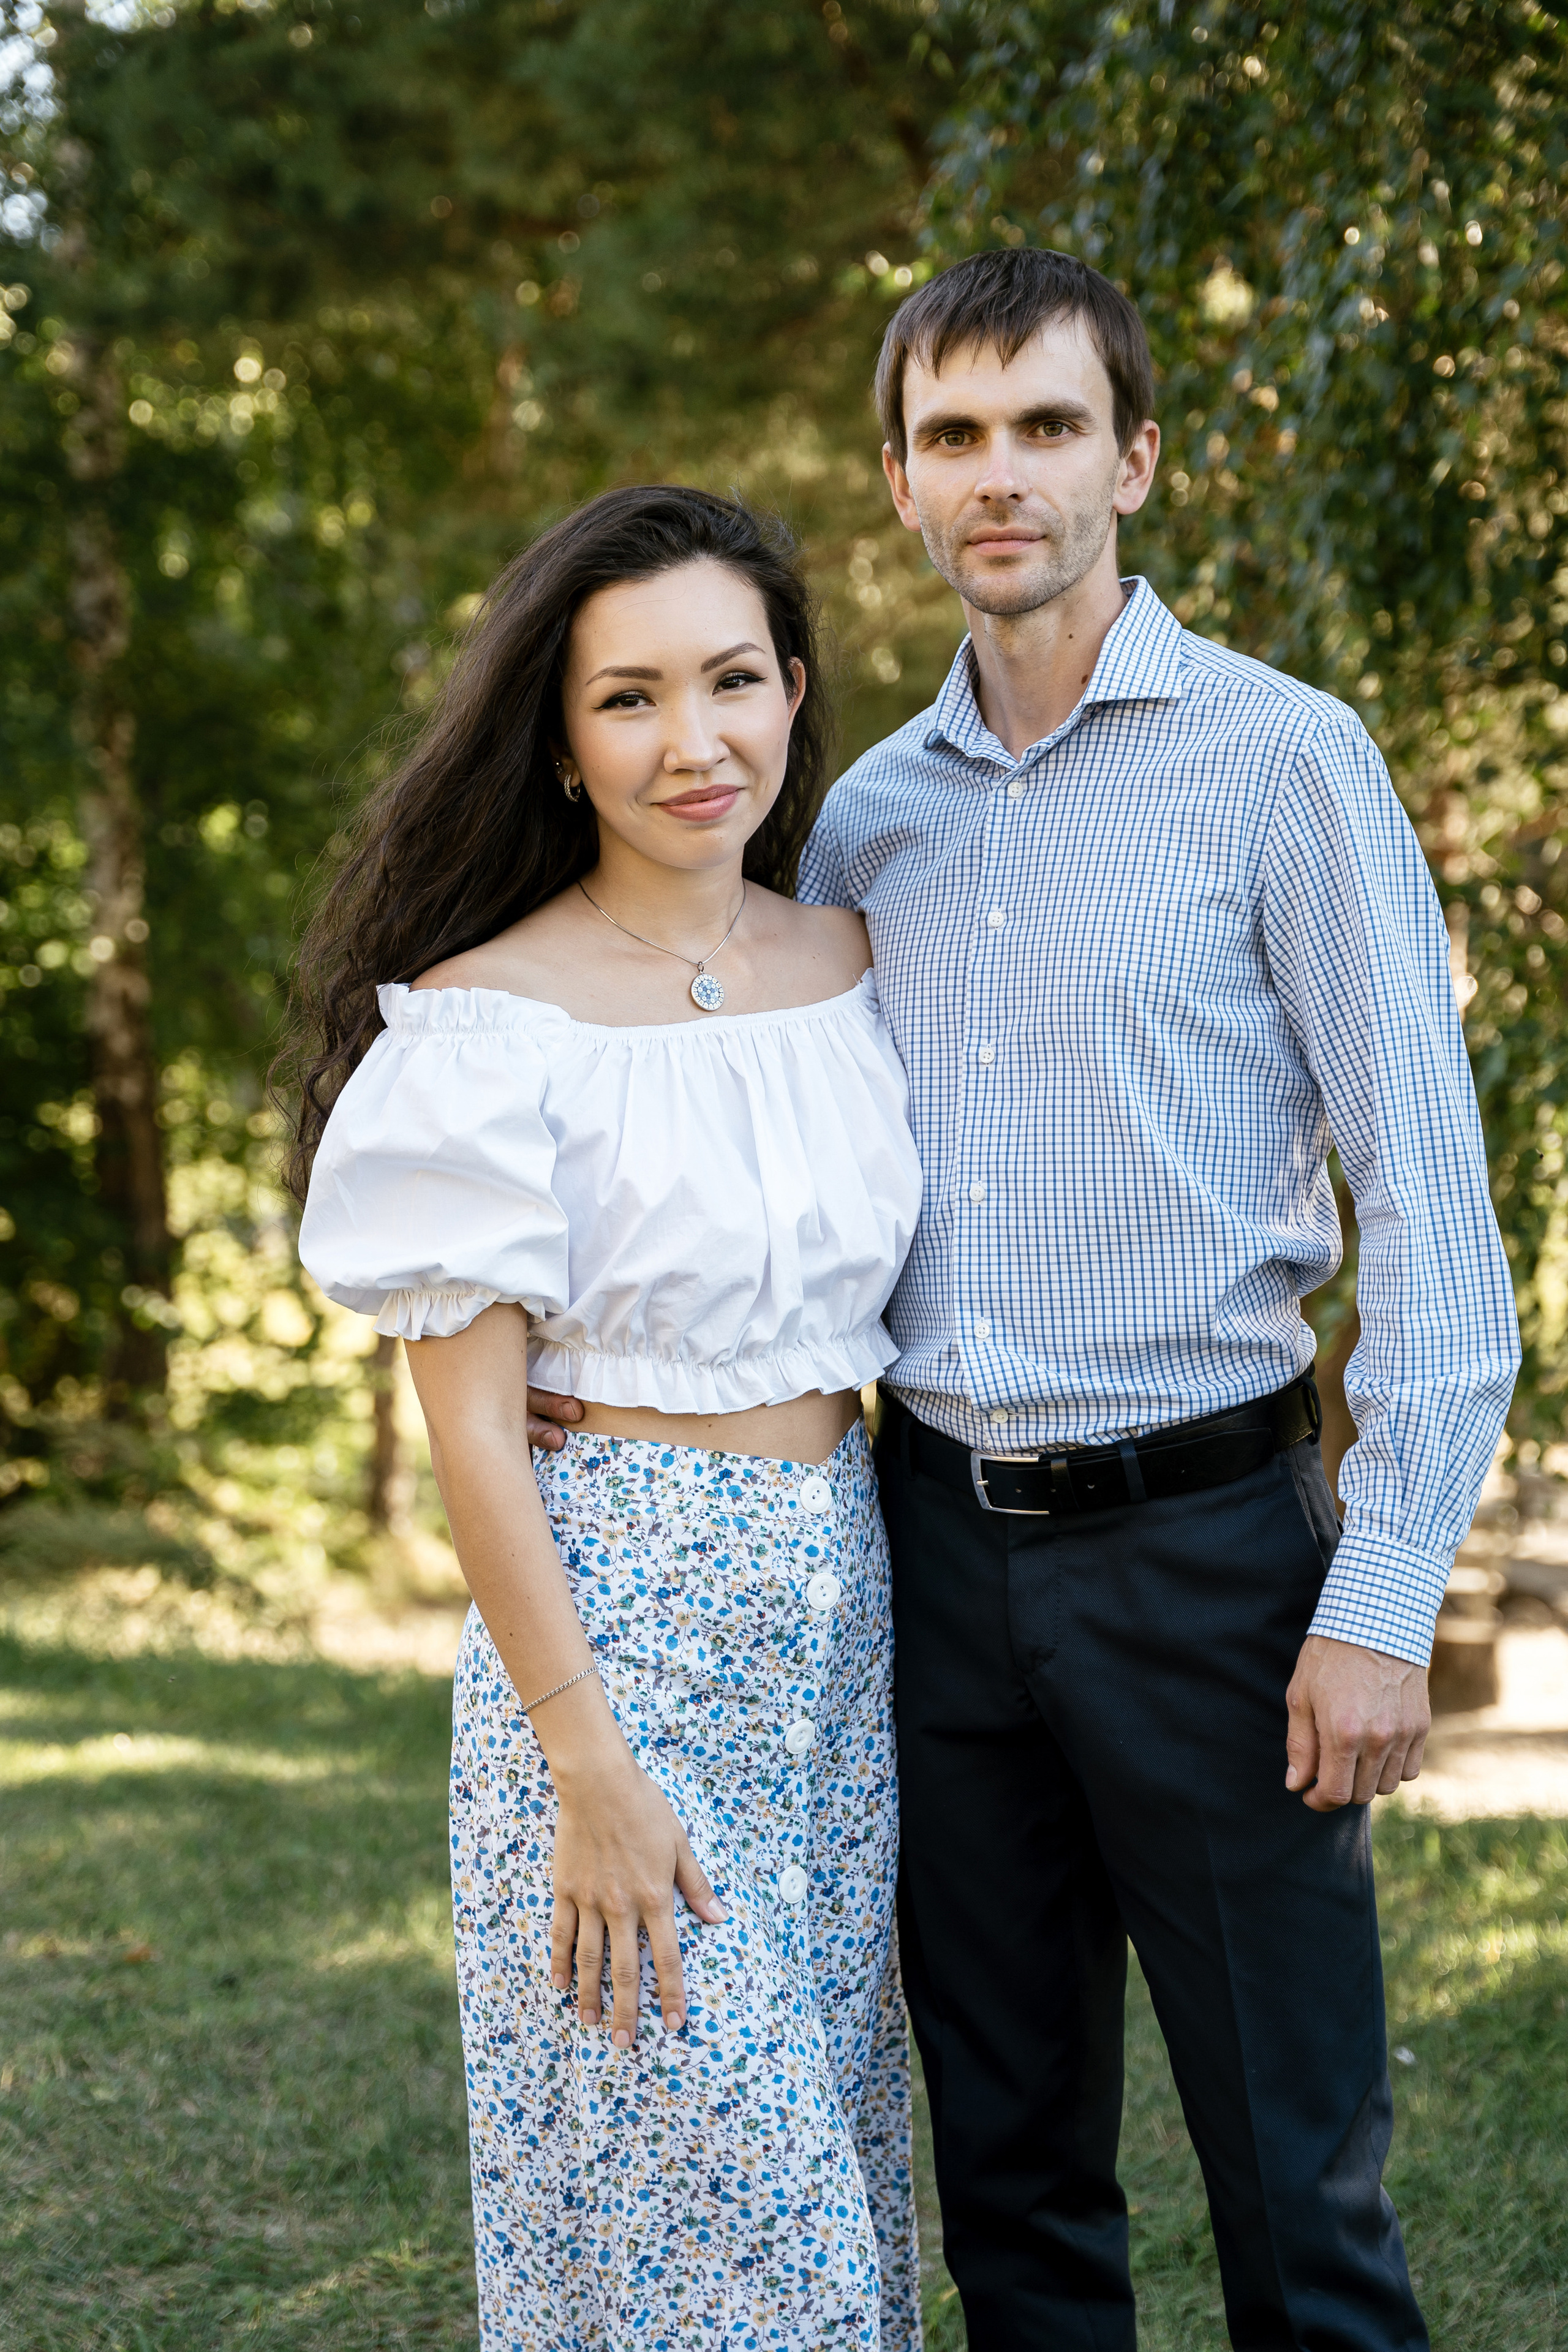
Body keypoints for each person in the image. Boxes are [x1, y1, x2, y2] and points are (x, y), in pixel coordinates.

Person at [530, 249, 1521, 2350]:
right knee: (1012, 2177)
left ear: (1135, 458)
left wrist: (1380, 1601)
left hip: (1217, 1564)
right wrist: (590, 1358)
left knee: (1298, 2184)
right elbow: (752, 1125)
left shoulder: (1286, 763)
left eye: (1047, 427)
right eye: (955, 436)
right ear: (897, 484)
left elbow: (1435, 1206)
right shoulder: (863, 823)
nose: (1003, 477)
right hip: (931, 1574)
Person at [284, 486, 925, 2351]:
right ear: (560, 744)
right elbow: (477, 1440)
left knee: (830, 2174)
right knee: (727, 2235)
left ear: (798, 692)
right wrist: (587, 1767)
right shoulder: (489, 1029)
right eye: (629, 699)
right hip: (616, 1639)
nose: (692, 740)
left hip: (840, 1618)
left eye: (732, 680)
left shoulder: (855, 966)